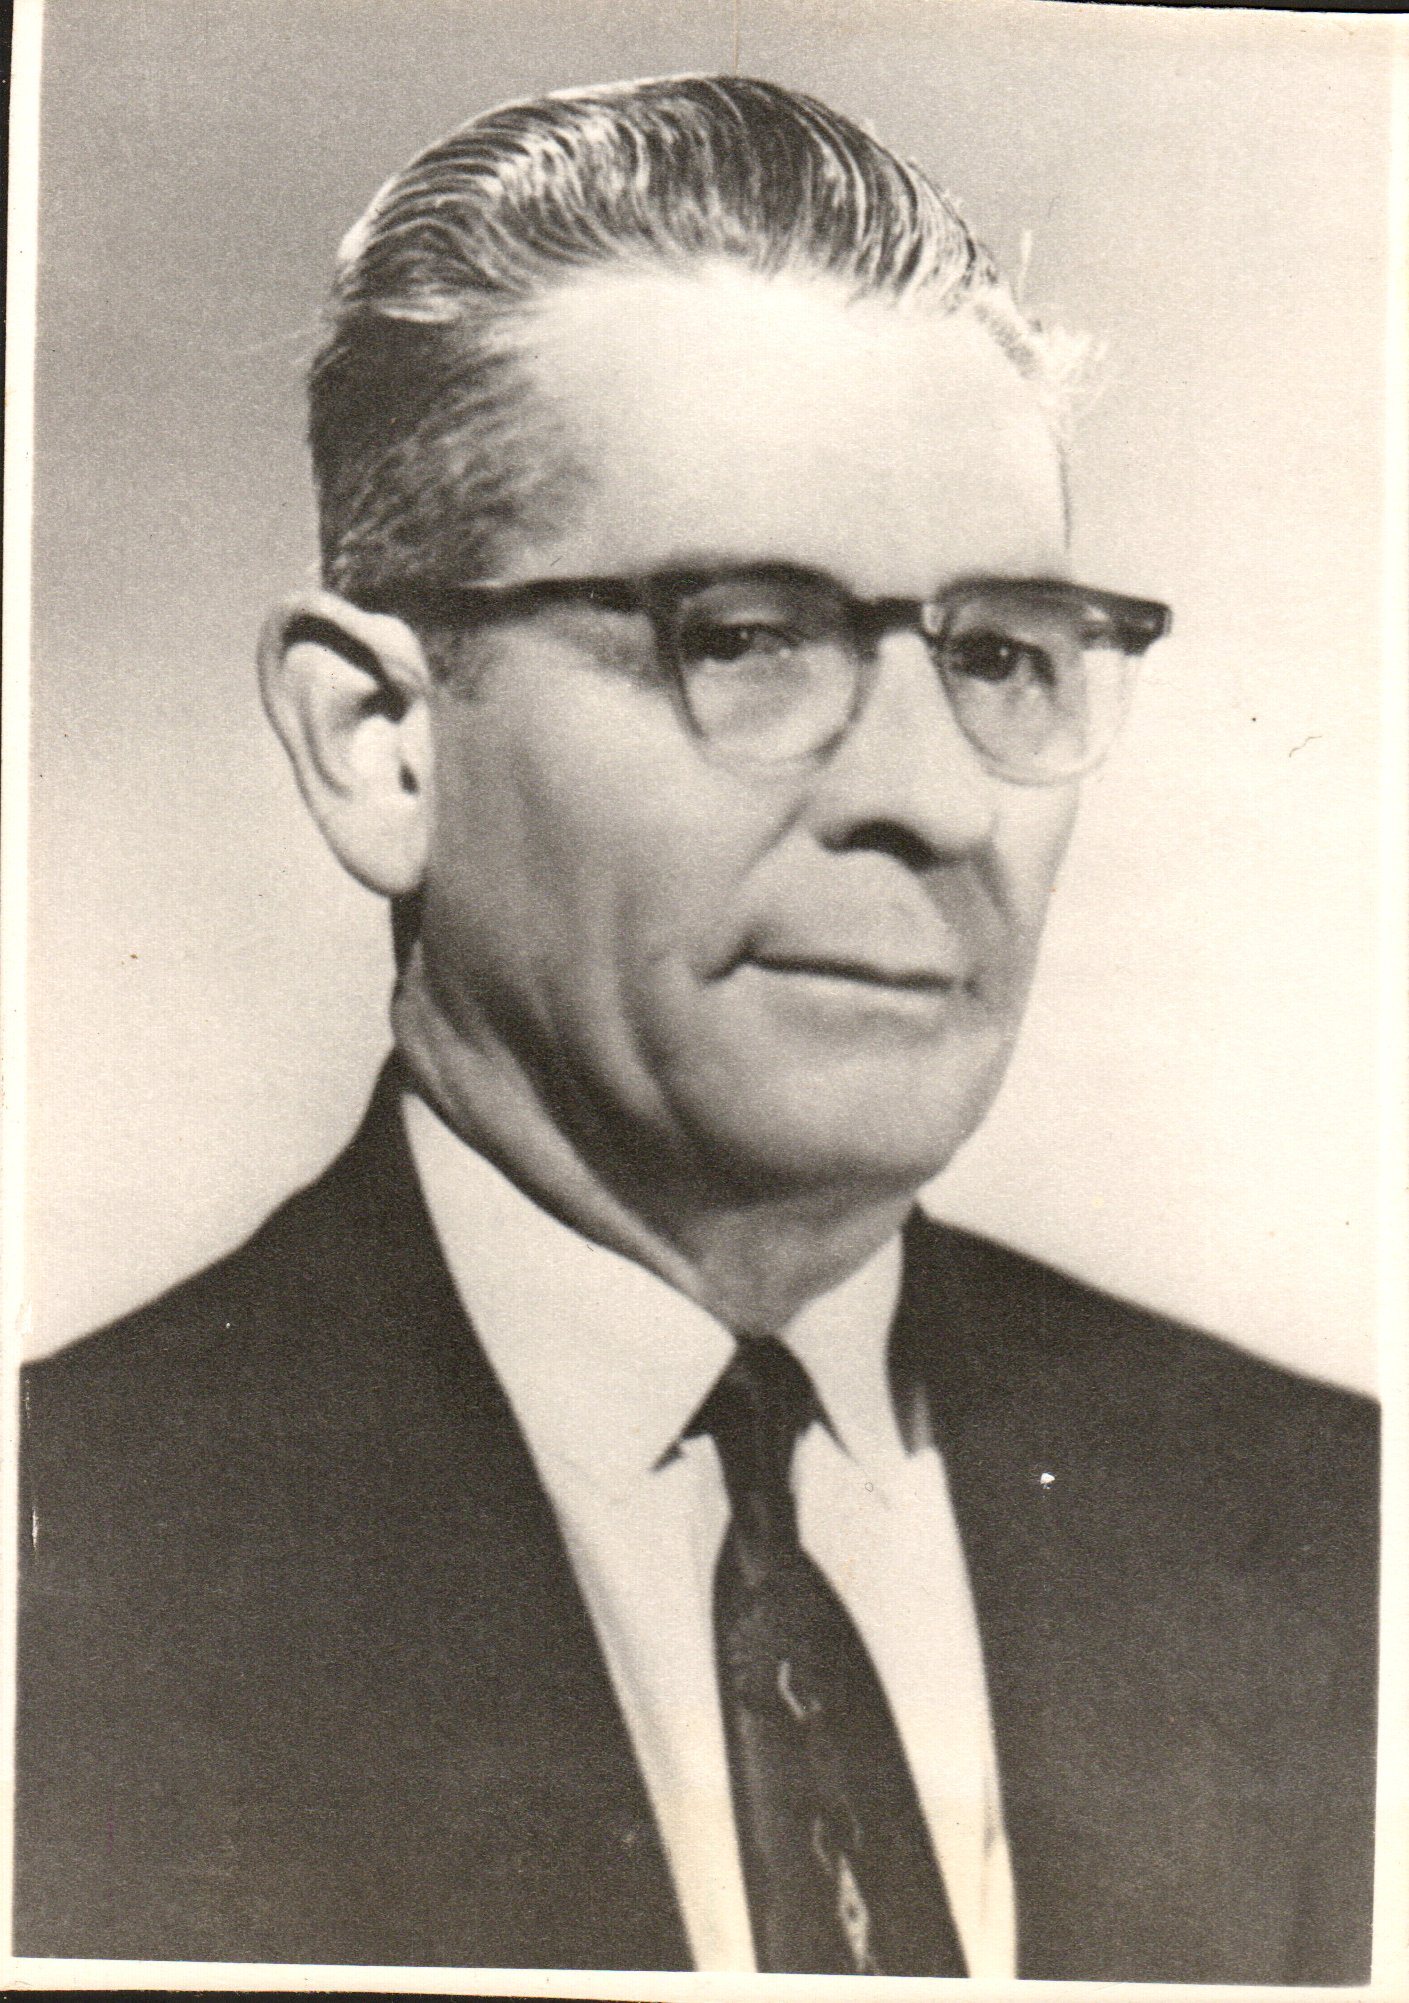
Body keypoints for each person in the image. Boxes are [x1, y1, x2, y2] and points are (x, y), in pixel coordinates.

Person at [14, 76, 1377, 1983]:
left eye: (999, 656)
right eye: (743, 635)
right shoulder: (63, 1564)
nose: (934, 798)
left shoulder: (1336, 1527)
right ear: (379, 743)